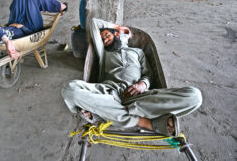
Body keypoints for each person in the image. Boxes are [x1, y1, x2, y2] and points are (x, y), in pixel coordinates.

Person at [61, 18, 202, 137]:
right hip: (109, 93)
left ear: (116, 34)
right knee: (69, 90)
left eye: (107, 35)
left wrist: (143, 85)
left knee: (195, 96)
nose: (104, 39)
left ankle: (108, 113)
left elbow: (149, 75)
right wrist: (118, 27)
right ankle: (146, 123)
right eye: (103, 38)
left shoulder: (138, 52)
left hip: (140, 98)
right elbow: (94, 22)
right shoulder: (103, 53)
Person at [0, 0, 67, 60]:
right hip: (30, 29)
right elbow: (26, 36)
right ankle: (59, 6)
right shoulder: (9, 38)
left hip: (13, 23)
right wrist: (21, 27)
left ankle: (34, 5)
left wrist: (5, 38)